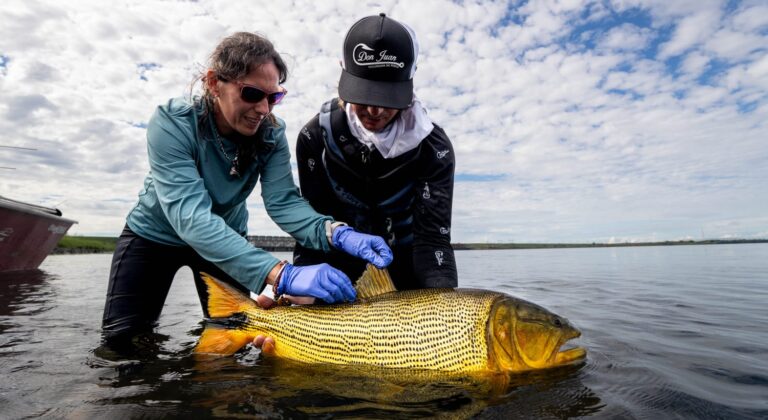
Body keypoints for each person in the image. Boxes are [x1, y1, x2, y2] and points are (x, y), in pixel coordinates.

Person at [101, 32, 393, 347]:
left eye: (274, 97)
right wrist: (281, 274)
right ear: (214, 83)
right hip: (153, 236)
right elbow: (190, 216)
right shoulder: (172, 121)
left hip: (226, 241)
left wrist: (335, 232)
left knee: (233, 344)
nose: (264, 109)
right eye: (252, 94)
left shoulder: (271, 134)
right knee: (123, 345)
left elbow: (283, 202)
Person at [293, 13, 458, 290]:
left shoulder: (434, 147)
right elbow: (312, 226)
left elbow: (433, 239)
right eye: (365, 95)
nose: (375, 111)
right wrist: (299, 281)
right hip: (334, 269)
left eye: (388, 98)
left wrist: (445, 305)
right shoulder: (314, 138)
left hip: (408, 268)